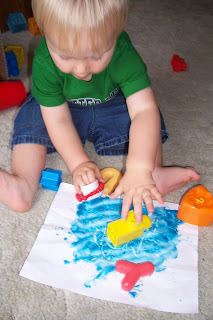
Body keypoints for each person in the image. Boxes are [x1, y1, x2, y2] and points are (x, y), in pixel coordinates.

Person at [0, 0, 200, 222]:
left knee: (147, 122)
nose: (82, 69)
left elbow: (143, 110)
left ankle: (152, 174)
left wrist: (139, 167)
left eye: (96, 56)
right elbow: (57, 120)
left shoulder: (123, 53)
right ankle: (24, 183)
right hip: (59, 108)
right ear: (46, 33)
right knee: (32, 118)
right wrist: (78, 163)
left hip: (111, 103)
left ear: (116, 34)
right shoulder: (44, 61)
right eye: (66, 57)